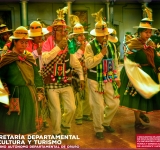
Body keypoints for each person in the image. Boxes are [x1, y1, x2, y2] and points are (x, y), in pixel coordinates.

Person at [41, 7, 84, 135]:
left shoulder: (68, 45)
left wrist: (81, 78)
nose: (63, 33)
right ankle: (56, 131)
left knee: (72, 108)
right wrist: (58, 47)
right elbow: (46, 60)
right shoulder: (46, 44)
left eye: (64, 31)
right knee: (56, 110)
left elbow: (75, 63)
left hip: (66, 81)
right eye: (60, 30)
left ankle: (65, 124)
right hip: (51, 82)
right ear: (53, 32)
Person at [0, 26, 44, 134]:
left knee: (29, 121)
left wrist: (39, 90)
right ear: (15, 42)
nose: (24, 45)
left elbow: (36, 76)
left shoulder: (29, 57)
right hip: (14, 94)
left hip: (30, 94)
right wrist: (4, 95)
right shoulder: (7, 58)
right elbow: (1, 77)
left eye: (26, 43)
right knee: (13, 123)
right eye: (21, 42)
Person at [84, 8, 120, 140]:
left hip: (109, 78)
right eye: (102, 35)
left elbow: (115, 62)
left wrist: (117, 77)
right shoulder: (90, 46)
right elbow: (88, 64)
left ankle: (105, 122)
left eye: (106, 34)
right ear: (96, 35)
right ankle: (98, 128)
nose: (104, 37)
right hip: (94, 79)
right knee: (98, 106)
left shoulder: (112, 45)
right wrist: (101, 54)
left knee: (115, 103)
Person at [119, 17, 160, 130]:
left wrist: (159, 65)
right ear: (140, 32)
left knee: (145, 98)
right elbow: (128, 58)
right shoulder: (133, 44)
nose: (148, 34)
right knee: (137, 99)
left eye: (149, 32)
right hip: (138, 74)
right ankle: (137, 121)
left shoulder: (151, 44)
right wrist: (134, 65)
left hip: (149, 73)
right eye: (146, 32)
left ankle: (141, 114)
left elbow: (155, 58)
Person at [69, 15, 92, 125]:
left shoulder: (87, 44)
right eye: (79, 35)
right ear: (74, 36)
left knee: (87, 93)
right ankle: (78, 116)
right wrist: (80, 51)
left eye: (82, 35)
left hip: (86, 71)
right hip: (75, 73)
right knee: (77, 94)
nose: (82, 37)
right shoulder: (71, 44)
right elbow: (72, 59)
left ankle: (86, 114)